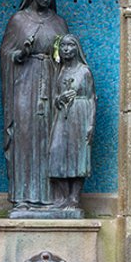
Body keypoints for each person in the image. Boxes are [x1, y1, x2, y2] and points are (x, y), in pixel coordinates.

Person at [0, 0, 68, 212]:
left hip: (50, 85)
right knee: (25, 136)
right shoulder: (19, 20)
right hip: (24, 84)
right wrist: (21, 53)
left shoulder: (59, 23)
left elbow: (66, 56)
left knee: (51, 138)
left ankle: (53, 197)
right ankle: (23, 197)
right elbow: (6, 54)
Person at [48, 33, 95, 212]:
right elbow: (54, 96)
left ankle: (74, 199)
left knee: (78, 156)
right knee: (57, 151)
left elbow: (91, 98)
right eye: (64, 46)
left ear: (77, 48)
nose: (66, 49)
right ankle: (62, 198)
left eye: (70, 45)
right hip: (62, 116)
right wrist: (59, 99)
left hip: (80, 115)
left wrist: (90, 124)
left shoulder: (84, 71)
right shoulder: (60, 71)